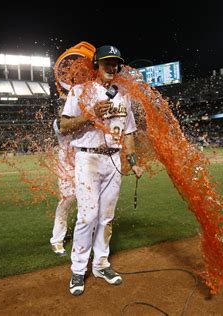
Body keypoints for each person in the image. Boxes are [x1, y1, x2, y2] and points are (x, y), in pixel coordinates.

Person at [60, 45, 143, 296]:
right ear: (96, 64)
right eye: (106, 62)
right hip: (88, 160)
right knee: (88, 216)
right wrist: (90, 115)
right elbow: (63, 125)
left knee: (106, 216)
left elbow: (128, 132)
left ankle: (101, 264)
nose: (111, 67)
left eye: (115, 63)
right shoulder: (80, 91)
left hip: (114, 161)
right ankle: (78, 269)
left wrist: (133, 160)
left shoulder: (124, 96)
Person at [50, 100, 76, 256]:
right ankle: (56, 240)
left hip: (83, 163)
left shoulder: (76, 118)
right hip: (66, 167)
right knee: (66, 201)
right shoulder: (59, 122)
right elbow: (67, 127)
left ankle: (87, 236)